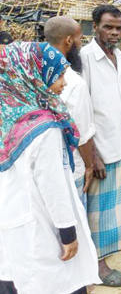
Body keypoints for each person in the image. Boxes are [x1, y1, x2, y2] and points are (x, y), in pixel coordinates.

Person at [0, 42, 100, 294]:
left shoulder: (7, 119)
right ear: (32, 74)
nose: (64, 82)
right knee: (56, 282)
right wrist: (68, 233)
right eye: (58, 74)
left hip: (12, 224)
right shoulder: (45, 128)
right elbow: (53, 186)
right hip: (42, 226)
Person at [80, 5, 121, 287]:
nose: (114, 33)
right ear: (95, 26)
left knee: (113, 214)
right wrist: (94, 156)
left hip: (119, 144)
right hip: (100, 149)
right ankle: (98, 269)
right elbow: (83, 110)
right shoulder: (85, 58)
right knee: (97, 214)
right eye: (108, 27)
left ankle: (103, 262)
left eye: (118, 28)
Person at [44, 17, 96, 206]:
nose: (80, 44)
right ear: (68, 40)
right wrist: (90, 165)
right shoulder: (73, 82)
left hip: (40, 171)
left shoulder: (31, 73)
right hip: (69, 169)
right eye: (79, 39)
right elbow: (81, 133)